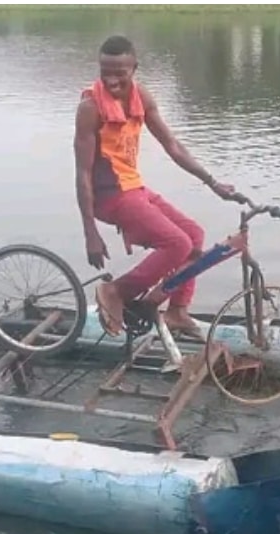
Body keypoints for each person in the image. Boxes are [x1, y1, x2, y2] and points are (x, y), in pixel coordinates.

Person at [73, 35, 236, 338]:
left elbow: (173, 146)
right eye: (105, 71)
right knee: (177, 244)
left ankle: (176, 311)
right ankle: (116, 292)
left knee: (194, 236)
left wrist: (212, 182)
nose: (111, 80)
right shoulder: (90, 108)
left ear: (134, 67)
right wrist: (90, 233)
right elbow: (82, 173)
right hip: (108, 196)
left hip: (134, 188)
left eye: (119, 72)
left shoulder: (141, 98)